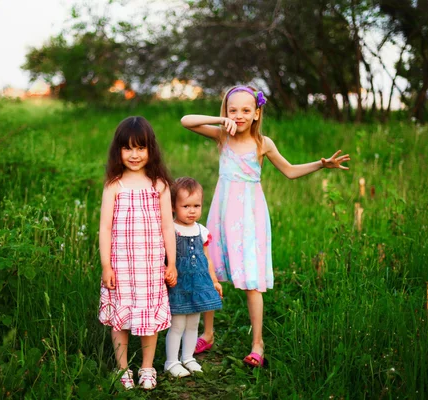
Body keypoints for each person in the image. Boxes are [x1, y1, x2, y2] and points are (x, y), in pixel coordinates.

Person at [181, 85, 350, 368]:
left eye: (246, 110)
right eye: (233, 110)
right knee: (210, 272)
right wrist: (220, 120)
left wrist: (321, 165)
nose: (239, 115)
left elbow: (290, 171)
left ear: (257, 113)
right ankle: (207, 333)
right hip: (222, 214)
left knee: (251, 279)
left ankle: (258, 343)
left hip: (249, 216)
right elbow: (187, 121)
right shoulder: (223, 136)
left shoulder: (263, 144)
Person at [98, 116, 177, 390]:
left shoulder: (159, 185)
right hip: (120, 265)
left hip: (151, 265)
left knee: (148, 318)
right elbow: (105, 228)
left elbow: (168, 226)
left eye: (140, 148)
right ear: (118, 151)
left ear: (150, 150)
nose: (134, 155)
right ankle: (122, 369)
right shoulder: (114, 185)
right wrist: (106, 266)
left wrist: (172, 263)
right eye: (128, 148)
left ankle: (146, 367)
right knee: (120, 319)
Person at [164, 177, 223, 378]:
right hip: (179, 285)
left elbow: (207, 258)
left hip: (199, 284)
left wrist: (213, 280)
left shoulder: (201, 230)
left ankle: (188, 357)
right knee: (178, 324)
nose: (192, 211)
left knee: (193, 324)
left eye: (196, 206)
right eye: (186, 206)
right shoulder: (171, 229)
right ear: (173, 206)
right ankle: (171, 361)